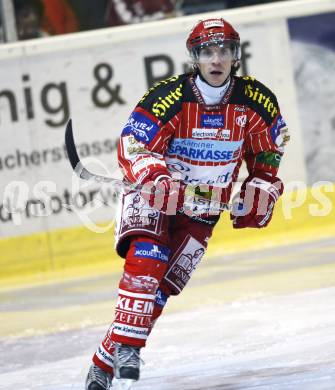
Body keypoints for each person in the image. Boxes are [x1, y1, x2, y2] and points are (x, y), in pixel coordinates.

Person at [85, 17, 289, 389]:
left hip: (204, 209)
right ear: (195, 57)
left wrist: (260, 186)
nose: (216, 59)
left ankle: (103, 360)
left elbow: (268, 152)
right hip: (153, 195)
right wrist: (157, 177)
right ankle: (129, 348)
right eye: (208, 51)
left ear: (234, 55)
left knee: (162, 288)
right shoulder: (168, 98)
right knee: (149, 260)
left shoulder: (257, 102)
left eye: (224, 50)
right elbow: (133, 143)